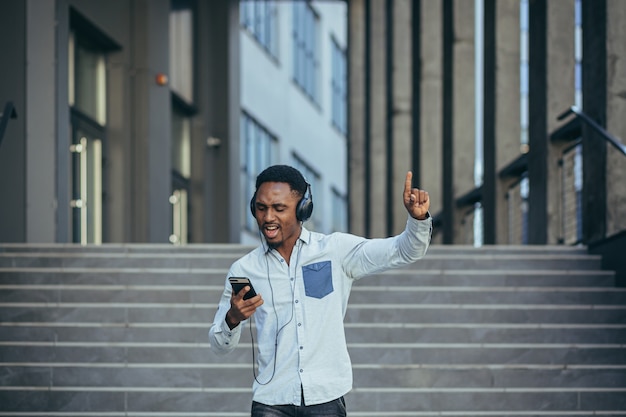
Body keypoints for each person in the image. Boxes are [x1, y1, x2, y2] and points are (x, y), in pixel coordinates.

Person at [209, 164, 432, 417]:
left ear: (303, 208)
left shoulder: (335, 250)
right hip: (271, 400)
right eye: (261, 208)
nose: (268, 217)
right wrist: (232, 319)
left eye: (279, 208)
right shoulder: (244, 269)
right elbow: (219, 346)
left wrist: (417, 220)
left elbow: (403, 251)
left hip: (325, 397)